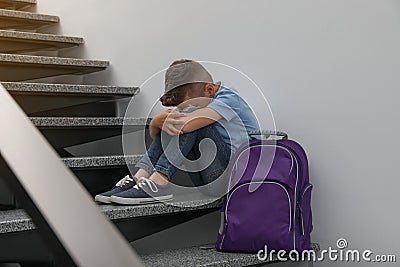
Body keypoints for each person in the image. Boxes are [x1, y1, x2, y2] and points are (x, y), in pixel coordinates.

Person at [95, 59, 259, 205]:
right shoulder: (204, 100)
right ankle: (140, 176)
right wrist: (156, 123)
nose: (190, 108)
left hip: (230, 180)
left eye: (191, 104)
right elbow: (166, 134)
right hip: (206, 179)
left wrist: (160, 121)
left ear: (209, 89)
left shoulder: (230, 99)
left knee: (190, 123)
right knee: (180, 120)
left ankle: (159, 182)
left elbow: (183, 126)